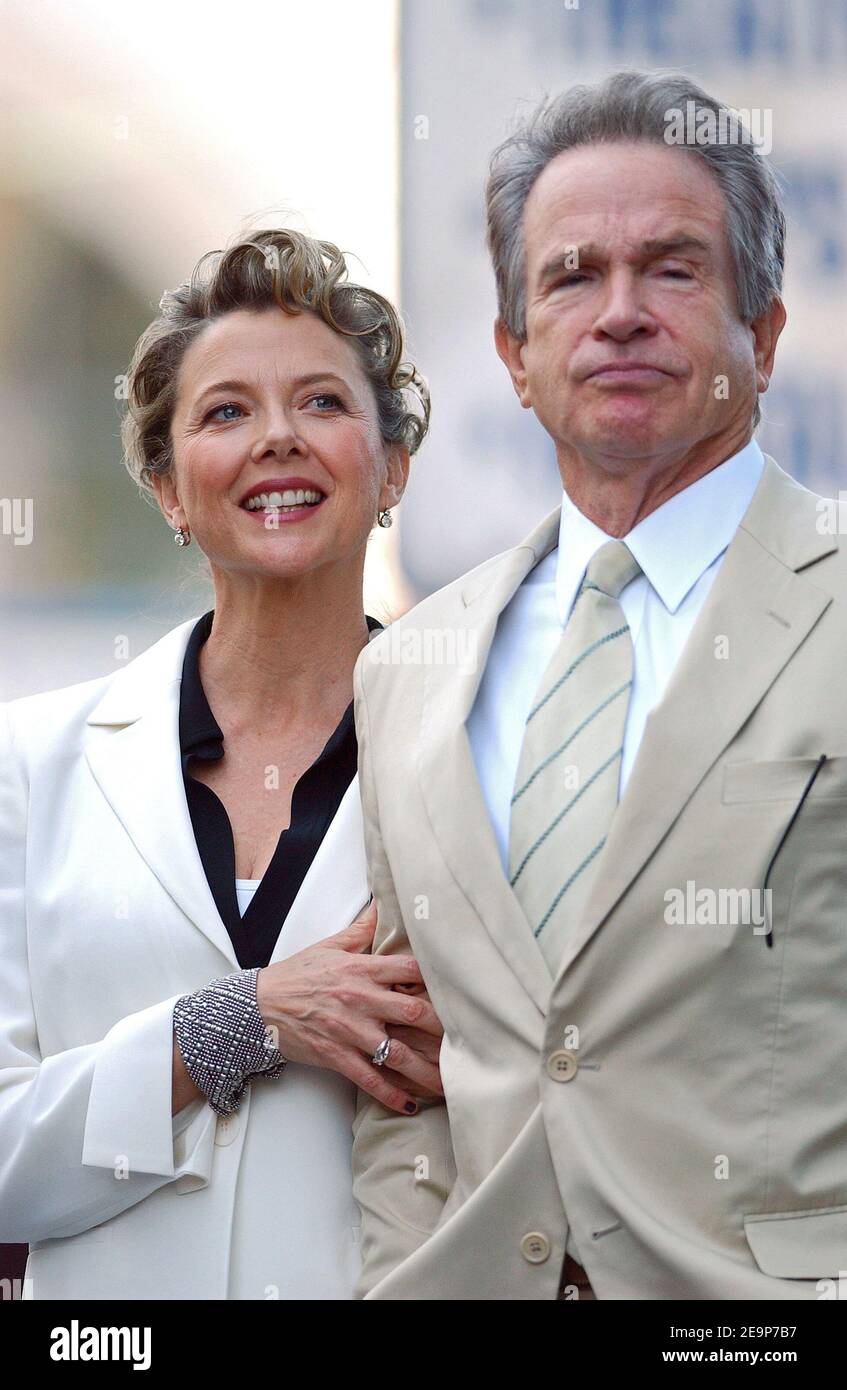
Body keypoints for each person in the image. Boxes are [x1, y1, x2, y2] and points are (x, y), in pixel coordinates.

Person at [350, 69, 847, 1299]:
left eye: (672, 268)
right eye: (573, 275)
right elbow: (404, 1071)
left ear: (764, 334)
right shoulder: (407, 670)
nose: (618, 312)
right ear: (517, 358)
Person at [0, 228, 443, 1299]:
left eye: (325, 403)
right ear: (166, 486)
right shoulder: (30, 763)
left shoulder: (486, 758)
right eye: (226, 411)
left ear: (391, 468)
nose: (278, 438)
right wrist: (235, 1023)